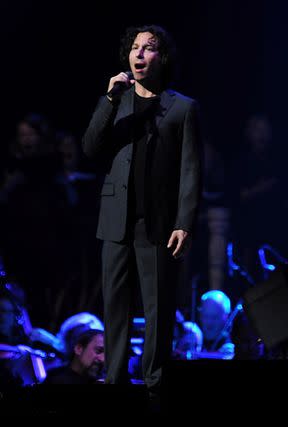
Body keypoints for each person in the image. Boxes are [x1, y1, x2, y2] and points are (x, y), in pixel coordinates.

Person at [82, 25, 202, 397]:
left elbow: (190, 170)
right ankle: (114, 380)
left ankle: (155, 382)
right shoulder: (118, 101)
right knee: (115, 306)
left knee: (157, 308)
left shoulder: (182, 108)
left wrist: (184, 222)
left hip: (159, 222)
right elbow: (90, 147)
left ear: (160, 57)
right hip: (116, 219)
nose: (139, 54)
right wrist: (109, 100)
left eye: (148, 48)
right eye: (135, 47)